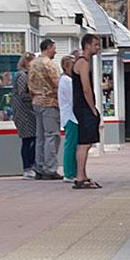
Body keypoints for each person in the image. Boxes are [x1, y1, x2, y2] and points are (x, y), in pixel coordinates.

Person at [70, 33, 103, 188]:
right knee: (84, 143)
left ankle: (81, 175)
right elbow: (86, 88)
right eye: (95, 45)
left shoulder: (80, 62)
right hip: (84, 107)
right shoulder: (83, 63)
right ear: (87, 45)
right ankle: (80, 177)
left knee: (85, 142)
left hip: (80, 106)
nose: (98, 48)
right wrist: (93, 108)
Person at [28, 40, 63, 181]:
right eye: (54, 48)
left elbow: (29, 84)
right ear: (48, 48)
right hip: (49, 102)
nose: (55, 51)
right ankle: (50, 169)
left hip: (36, 101)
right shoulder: (49, 64)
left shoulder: (33, 63)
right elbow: (57, 84)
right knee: (52, 136)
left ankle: (40, 166)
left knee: (40, 136)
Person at [11, 51, 37, 177]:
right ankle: (27, 167)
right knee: (28, 140)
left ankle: (31, 165)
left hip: (28, 111)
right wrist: (34, 96)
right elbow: (22, 94)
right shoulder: (22, 75)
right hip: (23, 112)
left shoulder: (27, 75)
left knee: (31, 139)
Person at [58, 49, 78, 181]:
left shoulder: (67, 80)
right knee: (71, 145)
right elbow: (74, 98)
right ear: (66, 66)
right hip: (71, 116)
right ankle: (69, 172)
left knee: (73, 144)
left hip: (70, 116)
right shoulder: (66, 81)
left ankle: (73, 170)